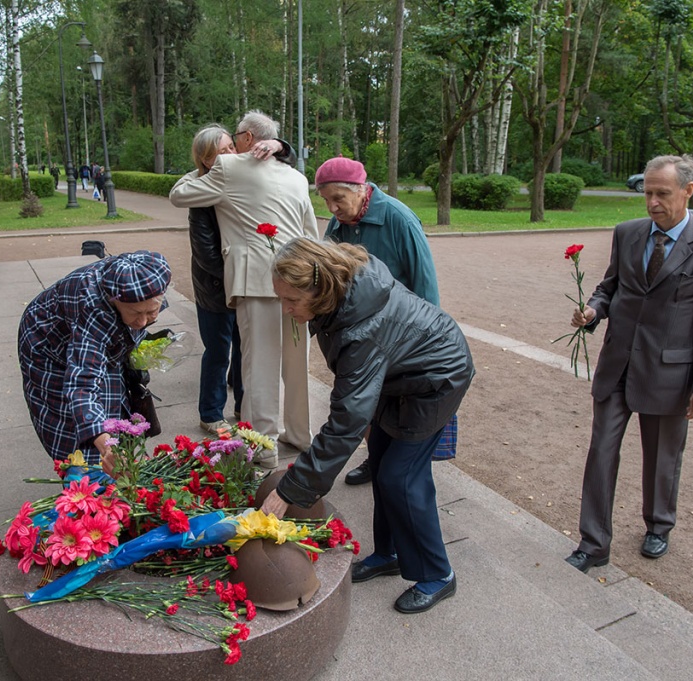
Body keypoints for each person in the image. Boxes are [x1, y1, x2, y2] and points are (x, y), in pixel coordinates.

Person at [260, 237, 474, 614]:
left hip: (436, 378)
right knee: (381, 462)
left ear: (319, 288)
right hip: (398, 376)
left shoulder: (363, 328)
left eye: (291, 300)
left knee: (400, 476)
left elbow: (347, 419)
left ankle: (438, 573)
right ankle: (390, 554)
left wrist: (293, 488)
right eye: (280, 298)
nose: (285, 308)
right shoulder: (341, 296)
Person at [564, 154, 693, 573]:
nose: (653, 202)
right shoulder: (627, 234)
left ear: (688, 191)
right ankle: (593, 543)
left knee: (662, 456)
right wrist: (592, 312)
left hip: (671, 372)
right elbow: (610, 288)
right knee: (601, 451)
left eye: (662, 193)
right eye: (648, 193)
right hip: (617, 364)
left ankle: (658, 525)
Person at [169, 110, 318, 457]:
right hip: (300, 281)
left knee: (259, 368)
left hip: (257, 282)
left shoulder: (228, 168)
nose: (232, 145)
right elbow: (311, 234)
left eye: (236, 137)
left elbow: (179, 195)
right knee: (297, 365)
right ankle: (299, 434)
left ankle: (263, 447)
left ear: (249, 139)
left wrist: (206, 164)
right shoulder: (296, 177)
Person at [313, 156, 447, 486]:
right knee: (368, 403)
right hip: (363, 335)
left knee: (400, 405)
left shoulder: (399, 219)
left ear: (359, 190)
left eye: (337, 199)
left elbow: (425, 284)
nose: (332, 208)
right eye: (326, 200)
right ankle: (376, 460)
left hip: (402, 334)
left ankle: (406, 469)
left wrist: (426, 343)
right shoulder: (338, 225)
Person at [183, 124, 293, 437]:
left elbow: (289, 162)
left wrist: (279, 145)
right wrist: (234, 279)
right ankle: (211, 413)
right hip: (217, 288)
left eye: (233, 146)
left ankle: (242, 409)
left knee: (247, 350)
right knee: (218, 352)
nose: (234, 153)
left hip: (243, 284)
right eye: (224, 151)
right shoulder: (202, 193)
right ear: (207, 161)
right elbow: (205, 252)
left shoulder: (242, 177)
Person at [17, 251, 171, 467]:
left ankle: (114, 463)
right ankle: (85, 478)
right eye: (135, 313)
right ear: (114, 301)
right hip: (48, 345)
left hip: (89, 332)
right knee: (75, 425)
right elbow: (82, 386)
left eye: (152, 312)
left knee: (112, 402)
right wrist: (105, 443)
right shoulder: (93, 310)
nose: (143, 321)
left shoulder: (146, 282)